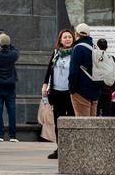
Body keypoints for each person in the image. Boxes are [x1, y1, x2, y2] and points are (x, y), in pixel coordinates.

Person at [41, 29, 75, 160]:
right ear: (60, 40)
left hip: (70, 93)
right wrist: (45, 85)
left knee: (71, 121)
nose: (67, 39)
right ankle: (60, 148)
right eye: (64, 37)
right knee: (58, 122)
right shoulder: (56, 53)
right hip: (56, 92)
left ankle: (71, 149)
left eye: (69, 37)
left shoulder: (76, 53)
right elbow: (49, 69)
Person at [0, 31, 20, 142]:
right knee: (12, 110)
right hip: (10, 86)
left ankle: (0, 135)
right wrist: (7, 39)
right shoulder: (13, 55)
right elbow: (15, 49)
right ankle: (13, 136)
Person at [68, 23, 99, 118]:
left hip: (81, 92)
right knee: (92, 125)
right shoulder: (94, 47)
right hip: (95, 91)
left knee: (82, 124)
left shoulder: (78, 48)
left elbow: (74, 71)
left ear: (77, 34)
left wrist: (72, 89)